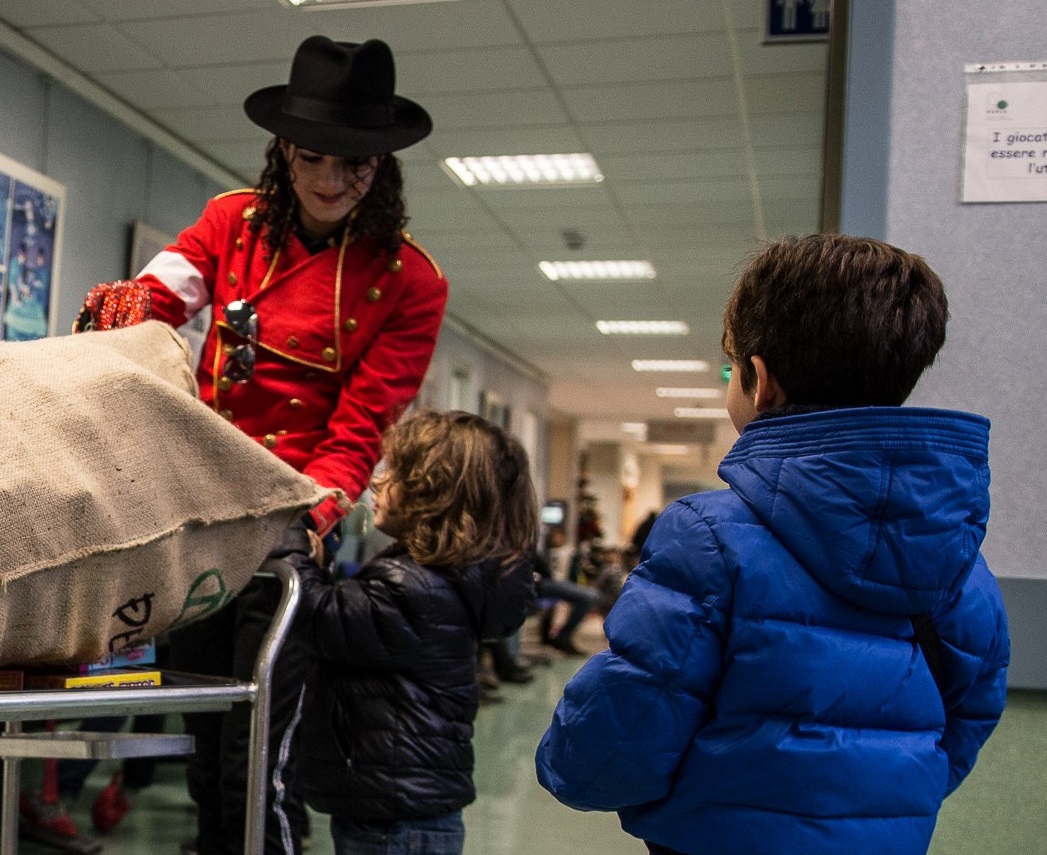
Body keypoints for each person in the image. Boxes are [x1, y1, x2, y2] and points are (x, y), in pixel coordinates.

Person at [74, 36, 447, 855]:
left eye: (357, 164)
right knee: (203, 745)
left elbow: (361, 426)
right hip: (200, 509)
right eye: (314, 157)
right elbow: (161, 295)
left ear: (383, 165)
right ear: (284, 149)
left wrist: (312, 511)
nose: (331, 180)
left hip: (286, 526)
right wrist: (124, 311)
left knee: (258, 761)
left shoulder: (410, 281)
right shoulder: (231, 222)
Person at [535, 233, 1010, 855]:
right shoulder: (963, 564)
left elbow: (617, 742)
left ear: (759, 382)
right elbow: (965, 721)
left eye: (729, 365)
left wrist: (564, 763)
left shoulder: (705, 537)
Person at [282, 409, 538, 855]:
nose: (377, 484)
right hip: (399, 809)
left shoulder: (416, 587)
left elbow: (321, 618)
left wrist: (290, 541)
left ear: (434, 495)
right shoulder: (437, 580)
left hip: (393, 820)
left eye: (395, 474)